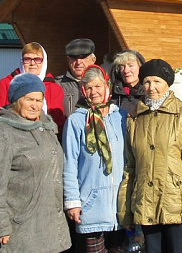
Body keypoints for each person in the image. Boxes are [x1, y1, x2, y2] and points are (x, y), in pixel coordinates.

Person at [117, 59, 182, 253]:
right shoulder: (135, 119)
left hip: (176, 202)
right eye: (147, 82)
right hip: (146, 203)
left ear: (167, 83)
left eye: (157, 81)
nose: (152, 87)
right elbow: (130, 167)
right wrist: (125, 211)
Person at [0, 73, 71, 253]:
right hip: (20, 226)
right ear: (16, 100)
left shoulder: (46, 128)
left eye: (39, 100)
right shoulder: (3, 132)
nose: (34, 105)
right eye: (29, 99)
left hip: (51, 225)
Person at [63, 65, 129, 253]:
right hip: (91, 206)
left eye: (98, 86)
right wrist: (73, 201)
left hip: (120, 208)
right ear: (83, 91)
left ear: (106, 86)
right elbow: (69, 164)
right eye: (89, 87)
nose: (94, 92)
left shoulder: (121, 117)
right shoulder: (76, 121)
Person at [0, 42, 66, 132]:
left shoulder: (54, 89)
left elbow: (58, 123)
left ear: (44, 62)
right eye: (27, 59)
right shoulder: (6, 84)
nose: (32, 63)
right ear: (22, 61)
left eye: (37, 59)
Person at [59, 38, 97, 118]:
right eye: (74, 58)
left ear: (93, 60)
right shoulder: (58, 85)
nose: (78, 62)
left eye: (83, 57)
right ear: (68, 60)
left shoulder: (104, 84)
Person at [108, 50, 145, 116]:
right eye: (122, 66)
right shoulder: (112, 94)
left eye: (131, 65)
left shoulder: (149, 93)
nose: (126, 70)